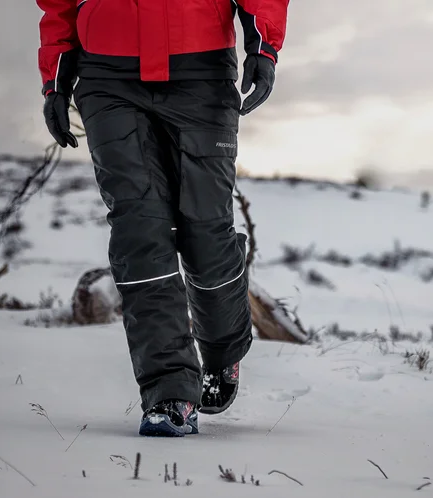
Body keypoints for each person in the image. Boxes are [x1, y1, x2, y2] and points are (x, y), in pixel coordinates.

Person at [36, 0, 290, 436]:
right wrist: (54, 79)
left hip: (201, 72)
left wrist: (263, 47)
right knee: (138, 230)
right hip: (107, 78)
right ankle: (169, 392)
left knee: (205, 230)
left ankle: (223, 348)